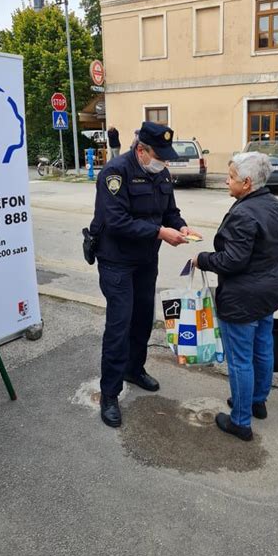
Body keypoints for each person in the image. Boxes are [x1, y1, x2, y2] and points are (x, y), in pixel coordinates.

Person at [89, 121, 200, 428]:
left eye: (165, 156)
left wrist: (180, 226)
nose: (163, 162)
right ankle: (109, 394)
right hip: (117, 262)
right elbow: (117, 221)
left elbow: (170, 212)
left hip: (145, 260)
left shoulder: (160, 172)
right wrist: (160, 232)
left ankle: (134, 369)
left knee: (142, 319)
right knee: (119, 325)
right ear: (141, 149)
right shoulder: (115, 173)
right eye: (158, 155)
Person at [193, 153, 278, 442]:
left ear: (247, 183)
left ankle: (240, 421)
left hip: (243, 298)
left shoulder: (243, 213)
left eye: (231, 176)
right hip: (268, 292)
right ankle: (257, 401)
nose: (226, 180)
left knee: (240, 360)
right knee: (262, 348)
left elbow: (231, 261)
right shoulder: (276, 205)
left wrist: (203, 258)